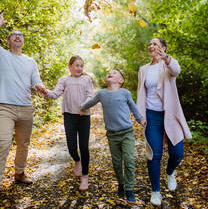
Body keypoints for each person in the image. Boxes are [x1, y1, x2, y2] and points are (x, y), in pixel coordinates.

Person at [0, 12, 47, 206]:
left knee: (23, 144)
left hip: (26, 108)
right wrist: (1, 22)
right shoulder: (1, 54)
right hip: (4, 107)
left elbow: (36, 81)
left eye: (20, 35)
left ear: (23, 42)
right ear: (9, 40)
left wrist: (40, 87)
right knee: (3, 143)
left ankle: (19, 173)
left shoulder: (30, 61)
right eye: (13, 34)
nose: (18, 36)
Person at [136, 37, 192, 206]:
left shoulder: (167, 65)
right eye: (150, 43)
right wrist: (141, 114)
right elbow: (141, 92)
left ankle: (170, 172)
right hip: (152, 116)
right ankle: (156, 191)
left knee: (177, 153)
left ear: (163, 48)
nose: (151, 45)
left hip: (170, 115)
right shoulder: (143, 69)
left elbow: (176, 70)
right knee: (155, 154)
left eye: (155, 44)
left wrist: (166, 57)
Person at [80, 70, 146, 203]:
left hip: (127, 132)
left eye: (115, 73)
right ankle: (121, 183)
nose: (111, 73)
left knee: (128, 161)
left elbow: (133, 107)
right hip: (112, 135)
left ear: (121, 80)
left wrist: (140, 119)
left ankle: (129, 189)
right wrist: (82, 108)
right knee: (116, 163)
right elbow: (91, 102)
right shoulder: (102, 94)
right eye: (109, 73)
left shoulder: (125, 93)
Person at [42, 55, 94, 191]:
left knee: (84, 147)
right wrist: (45, 91)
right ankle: (77, 161)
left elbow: (90, 95)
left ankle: (85, 176)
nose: (79, 68)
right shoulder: (64, 80)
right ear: (69, 67)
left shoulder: (86, 80)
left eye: (81, 66)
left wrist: (84, 105)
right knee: (71, 146)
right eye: (76, 65)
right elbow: (54, 94)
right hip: (69, 116)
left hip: (84, 116)